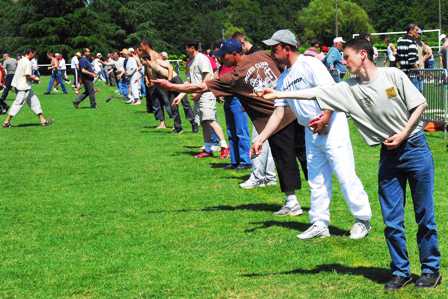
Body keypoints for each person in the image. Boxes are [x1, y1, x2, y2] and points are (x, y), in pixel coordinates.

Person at [260, 37, 441, 291]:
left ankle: (431, 271)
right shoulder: (349, 88)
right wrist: (279, 92)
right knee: (392, 219)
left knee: (425, 216)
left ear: (363, 55)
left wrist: (403, 133)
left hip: (414, 147)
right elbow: (315, 92)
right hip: (388, 155)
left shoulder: (393, 75)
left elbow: (420, 103)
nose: (343, 61)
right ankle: (400, 271)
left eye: (347, 57)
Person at [152, 38, 307, 216]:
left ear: (234, 54)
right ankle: (302, 201)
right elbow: (201, 86)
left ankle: (297, 202)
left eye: (223, 55)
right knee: (298, 159)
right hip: (285, 116)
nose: (220, 59)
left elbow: (287, 65)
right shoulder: (242, 70)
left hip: (283, 117)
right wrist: (173, 86)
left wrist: (171, 85)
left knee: (292, 160)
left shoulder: (253, 62)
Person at [253, 29, 371, 240]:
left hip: (332, 125)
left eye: (275, 48)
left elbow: (330, 92)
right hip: (310, 130)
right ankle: (319, 223)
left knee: (345, 174)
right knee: (316, 179)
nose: (272, 53)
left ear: (287, 48)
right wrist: (260, 138)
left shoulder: (311, 64)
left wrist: (325, 116)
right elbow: (279, 112)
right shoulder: (284, 78)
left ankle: (363, 220)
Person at [140, 40, 197, 133]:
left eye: (142, 60)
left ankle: (193, 123)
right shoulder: (151, 68)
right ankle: (178, 128)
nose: (141, 63)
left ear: (146, 60)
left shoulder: (157, 61)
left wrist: (169, 81)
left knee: (185, 102)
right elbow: (155, 78)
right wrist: (151, 83)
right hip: (169, 84)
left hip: (175, 80)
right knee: (173, 105)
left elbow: (170, 67)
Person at [2, 48, 51, 128]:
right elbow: (27, 76)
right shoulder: (27, 62)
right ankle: (6, 122)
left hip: (23, 86)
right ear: (30, 53)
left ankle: (43, 121)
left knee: (35, 103)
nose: (34, 55)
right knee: (17, 104)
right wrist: (35, 79)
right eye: (34, 53)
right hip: (23, 87)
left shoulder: (21, 60)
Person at [397, 24, 421, 91]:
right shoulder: (412, 42)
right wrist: (419, 72)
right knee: (416, 97)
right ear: (410, 30)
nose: (417, 32)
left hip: (403, 74)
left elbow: (398, 58)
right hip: (412, 75)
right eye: (416, 30)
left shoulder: (400, 42)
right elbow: (412, 61)